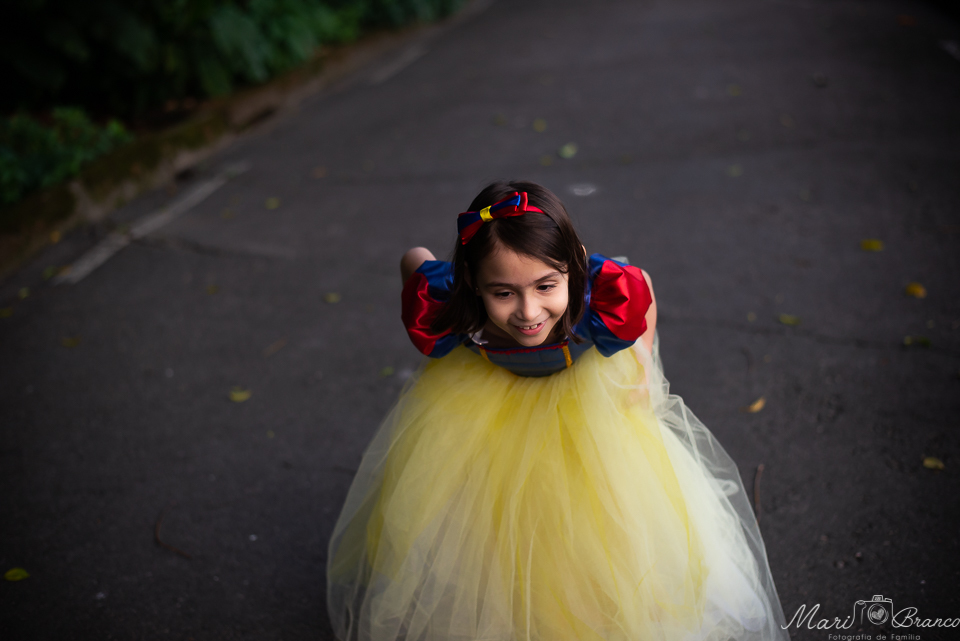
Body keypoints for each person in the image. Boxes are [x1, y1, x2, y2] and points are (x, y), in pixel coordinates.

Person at [326, 181, 789, 641]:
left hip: (584, 404)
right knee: (491, 526)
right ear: (471, 281)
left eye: (546, 286)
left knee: (604, 521)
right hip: (490, 403)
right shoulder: (450, 297)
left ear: (575, 268)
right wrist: (418, 280)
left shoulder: (602, 296)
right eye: (503, 293)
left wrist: (644, 364)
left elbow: (642, 283)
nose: (529, 312)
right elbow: (415, 260)